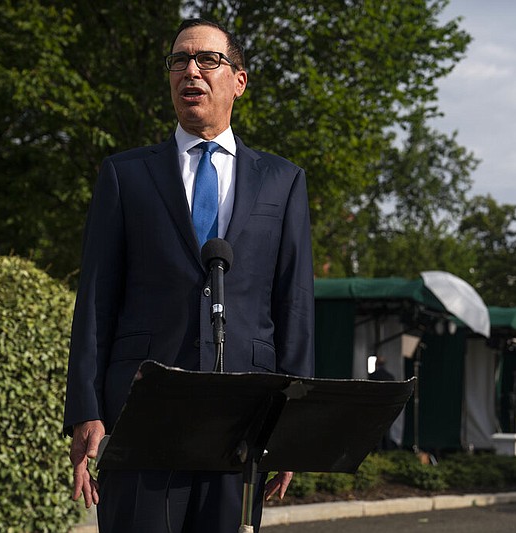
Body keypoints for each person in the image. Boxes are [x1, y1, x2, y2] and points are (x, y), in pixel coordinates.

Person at [63, 18, 315, 532]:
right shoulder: (125, 174)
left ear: (239, 81)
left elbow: (294, 303)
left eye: (207, 60)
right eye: (179, 61)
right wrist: (85, 409)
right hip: (141, 410)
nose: (190, 71)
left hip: (243, 414)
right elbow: (94, 300)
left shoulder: (283, 181)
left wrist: (295, 425)